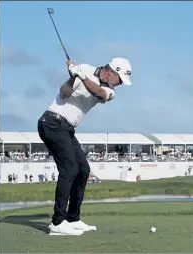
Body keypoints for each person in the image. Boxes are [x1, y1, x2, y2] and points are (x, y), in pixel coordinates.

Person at [37, 57, 132, 236]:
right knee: (69, 170)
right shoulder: (84, 68)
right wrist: (73, 76)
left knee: (83, 170)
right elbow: (64, 93)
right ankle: (57, 223)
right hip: (51, 122)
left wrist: (80, 76)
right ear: (112, 71)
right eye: (120, 79)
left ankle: (73, 218)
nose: (119, 84)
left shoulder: (109, 91)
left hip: (66, 129)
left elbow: (98, 92)